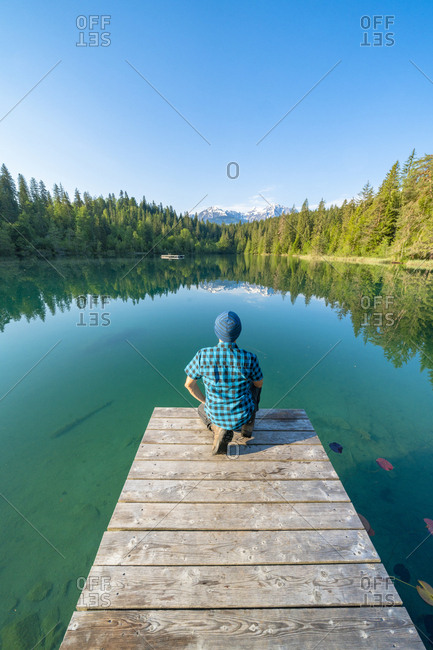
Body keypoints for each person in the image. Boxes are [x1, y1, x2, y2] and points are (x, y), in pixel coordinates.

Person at [184, 311, 264, 454]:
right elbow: (259, 384)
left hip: (215, 414)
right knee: (254, 387)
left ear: (216, 331)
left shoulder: (203, 355)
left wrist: (205, 401)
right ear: (239, 332)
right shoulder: (250, 358)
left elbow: (189, 385)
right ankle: (249, 421)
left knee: (201, 409)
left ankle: (217, 428)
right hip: (243, 413)